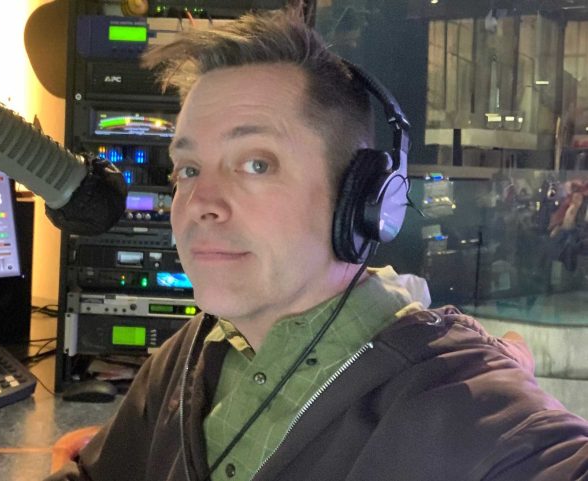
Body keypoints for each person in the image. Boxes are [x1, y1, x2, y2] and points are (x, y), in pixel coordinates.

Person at [47, 6, 588, 481]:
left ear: (362, 200)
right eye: (187, 168)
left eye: (256, 163)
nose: (200, 200)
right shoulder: (182, 360)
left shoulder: (472, 408)